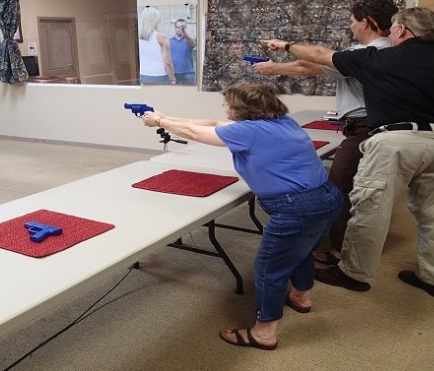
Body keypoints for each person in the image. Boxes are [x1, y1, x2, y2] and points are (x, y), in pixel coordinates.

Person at [263, 7, 434, 300]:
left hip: (395, 141)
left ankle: (354, 273)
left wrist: (285, 45)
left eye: (395, 28)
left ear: (401, 30)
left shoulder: (378, 58)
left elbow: (320, 55)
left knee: (371, 208)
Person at [139, 83, 342, 350]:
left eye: (228, 104)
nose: (225, 108)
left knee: (269, 269)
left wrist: (161, 121)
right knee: (301, 251)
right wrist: (163, 117)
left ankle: (264, 333)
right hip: (326, 199)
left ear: (243, 109)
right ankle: (302, 297)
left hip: (296, 208)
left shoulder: (248, 132)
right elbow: (211, 123)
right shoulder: (283, 122)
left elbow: (194, 133)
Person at [254, 0, 398, 266]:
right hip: (376, 127)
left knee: (341, 188)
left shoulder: (368, 53)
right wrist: (275, 68)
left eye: (353, 21)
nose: (350, 26)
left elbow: (315, 60)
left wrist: (283, 49)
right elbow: (317, 67)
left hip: (365, 128)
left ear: (368, 23)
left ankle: (339, 252)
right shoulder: (387, 50)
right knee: (357, 186)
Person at [138, 7, 175, 85]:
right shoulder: (162, 37)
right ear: (155, 21)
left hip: (143, 75)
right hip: (159, 76)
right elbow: (168, 62)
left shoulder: (138, 36)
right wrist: (172, 79)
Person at [169, 18, 196, 85]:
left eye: (183, 27)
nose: (181, 29)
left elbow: (192, 43)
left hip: (188, 73)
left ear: (186, 28)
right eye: (178, 27)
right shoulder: (169, 41)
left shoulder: (188, 39)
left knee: (190, 94)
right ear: (175, 28)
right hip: (174, 73)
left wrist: (186, 36)